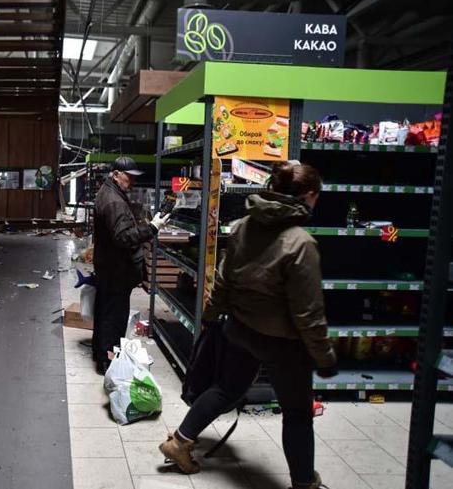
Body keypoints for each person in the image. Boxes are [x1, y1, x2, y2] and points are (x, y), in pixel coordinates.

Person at [158, 161, 337, 489]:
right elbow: (308, 314)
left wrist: (211, 317)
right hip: (282, 344)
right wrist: (324, 357)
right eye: (316, 196)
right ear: (309, 196)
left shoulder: (242, 226)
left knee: (226, 389)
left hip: (239, 331)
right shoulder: (301, 244)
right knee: (297, 414)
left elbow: (223, 281)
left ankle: (180, 442)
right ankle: (304, 483)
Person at [92, 156, 170, 373]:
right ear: (116, 175)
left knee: (105, 313)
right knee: (114, 318)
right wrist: (152, 228)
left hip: (109, 267)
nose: (132, 182)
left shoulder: (109, 193)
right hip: (116, 270)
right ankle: (109, 362)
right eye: (129, 177)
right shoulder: (113, 200)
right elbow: (123, 237)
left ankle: (101, 354)